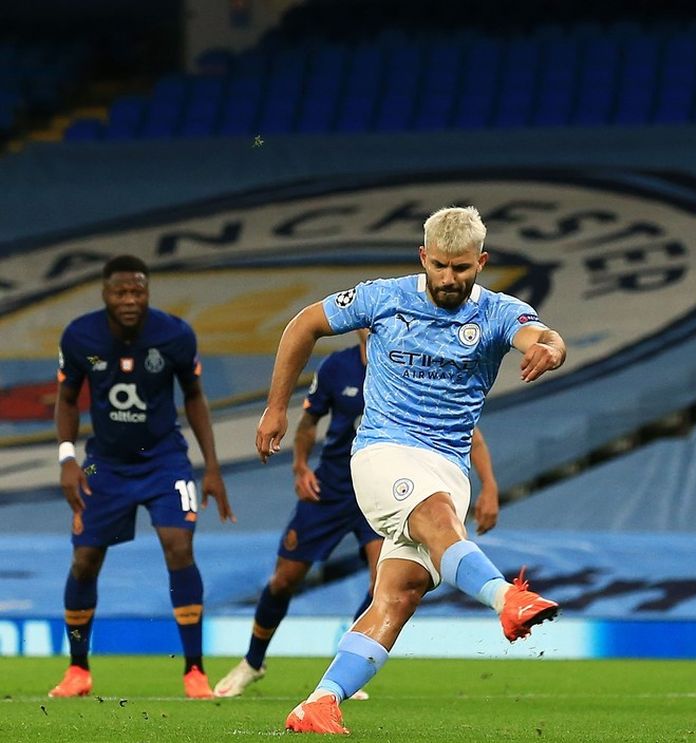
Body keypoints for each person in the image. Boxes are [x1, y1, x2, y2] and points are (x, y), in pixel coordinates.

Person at [255, 206, 565, 734]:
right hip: (383, 452)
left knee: (398, 595)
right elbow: (304, 323)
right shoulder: (383, 297)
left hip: (448, 464)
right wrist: (276, 406)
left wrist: (550, 351)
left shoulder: (496, 312)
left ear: (481, 263)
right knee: (436, 516)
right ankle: (505, 598)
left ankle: (320, 702)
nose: (450, 278)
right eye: (440, 266)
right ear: (423, 257)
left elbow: (542, 334)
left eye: (462, 269)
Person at [215, 329, 502, 698]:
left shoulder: (415, 364)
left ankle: (347, 661)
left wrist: (489, 486)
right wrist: (300, 467)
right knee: (285, 578)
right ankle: (253, 662)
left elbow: (468, 432)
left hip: (389, 492)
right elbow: (308, 423)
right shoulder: (337, 366)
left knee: (382, 581)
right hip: (332, 490)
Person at [49, 254, 235, 699]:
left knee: (178, 546)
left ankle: (194, 671)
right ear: (105, 294)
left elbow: (194, 398)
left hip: (164, 460)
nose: (130, 299)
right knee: (84, 560)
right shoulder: (80, 337)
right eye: (121, 292)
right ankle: (78, 670)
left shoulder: (174, 334)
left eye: (138, 291)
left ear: (147, 292)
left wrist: (210, 466)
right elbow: (67, 399)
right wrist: (66, 459)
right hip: (103, 465)